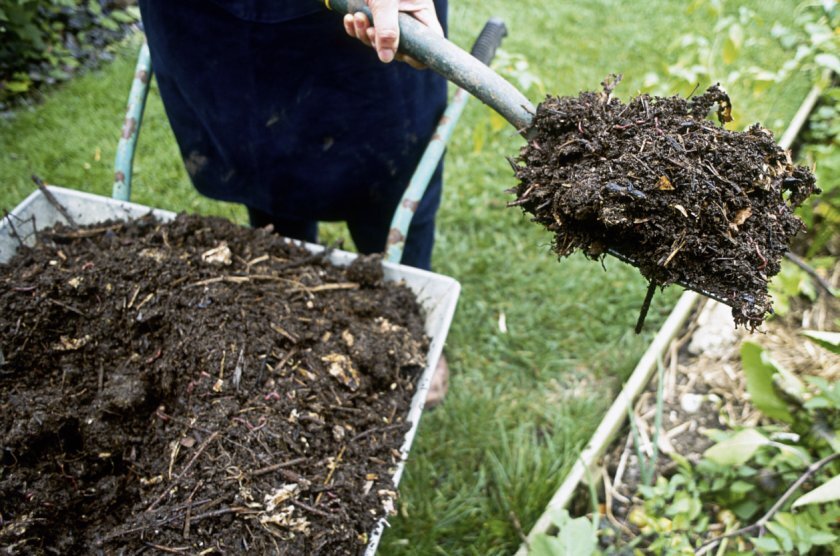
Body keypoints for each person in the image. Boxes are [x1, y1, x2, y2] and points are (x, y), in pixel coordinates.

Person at [137, 0, 450, 404]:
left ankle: (409, 325)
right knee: (264, 167)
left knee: (395, 182)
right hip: (216, 24)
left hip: (357, 34)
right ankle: (291, 315)